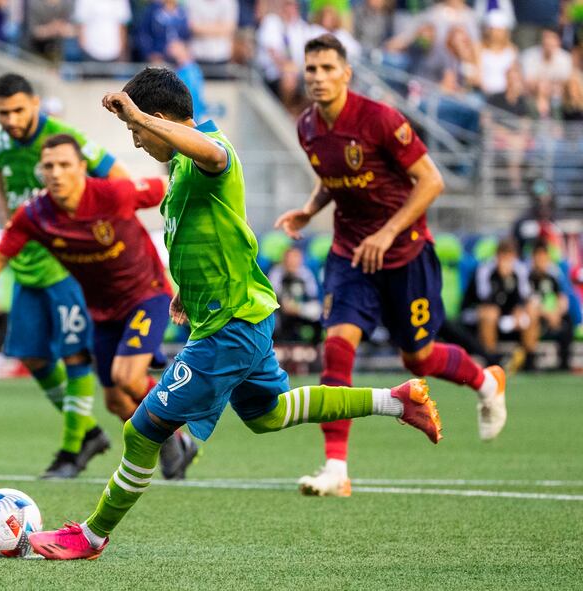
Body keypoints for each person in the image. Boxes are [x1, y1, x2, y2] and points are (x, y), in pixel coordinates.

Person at [26, 66, 442, 561]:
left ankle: (90, 537)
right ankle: (397, 401)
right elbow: (213, 228)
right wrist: (188, 289)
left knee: (141, 429)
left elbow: (217, 156)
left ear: (160, 120)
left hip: (231, 328)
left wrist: (138, 115)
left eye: (137, 130)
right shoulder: (180, 168)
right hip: (235, 314)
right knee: (268, 415)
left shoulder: (208, 150)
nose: (136, 141)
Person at [275, 35, 506, 498]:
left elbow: (431, 181)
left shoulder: (381, 118)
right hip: (350, 254)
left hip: (405, 253)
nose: (317, 77)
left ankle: (487, 380)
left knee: (417, 356)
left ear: (347, 74)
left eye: (326, 68)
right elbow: (333, 177)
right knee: (337, 348)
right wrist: (310, 208)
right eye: (311, 69)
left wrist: (387, 232)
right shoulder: (306, 127)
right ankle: (336, 468)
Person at [0, 133, 198, 479]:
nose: (56, 173)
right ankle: (177, 440)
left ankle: (175, 432)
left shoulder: (113, 194)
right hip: (102, 313)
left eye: (64, 165)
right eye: (49, 167)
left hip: (146, 295)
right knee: (116, 402)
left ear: (82, 169)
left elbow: (173, 185)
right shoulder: (35, 215)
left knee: (127, 378)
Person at [0, 73, 129, 478]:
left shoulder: (65, 139)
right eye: (3, 113)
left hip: (68, 263)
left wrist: (94, 228)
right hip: (27, 264)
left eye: (18, 110)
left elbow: (117, 177)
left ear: (35, 104)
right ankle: (86, 432)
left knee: (76, 356)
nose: (11, 120)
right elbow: (2, 179)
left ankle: (71, 451)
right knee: (31, 355)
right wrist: (8, 221)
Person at [474, 237, 539, 371]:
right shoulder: (486, 270)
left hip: (512, 315)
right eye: (503, 255)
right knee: (490, 313)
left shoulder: (519, 270)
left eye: (510, 255)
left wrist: (519, 310)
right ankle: (491, 361)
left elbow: (525, 296)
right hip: (492, 314)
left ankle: (530, 361)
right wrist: (502, 280)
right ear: (497, 256)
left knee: (533, 310)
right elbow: (484, 298)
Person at [528, 240, 573, 370]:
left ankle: (564, 363)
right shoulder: (528, 275)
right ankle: (530, 363)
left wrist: (557, 313)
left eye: (543, 256)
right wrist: (548, 314)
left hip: (553, 313)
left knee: (567, 320)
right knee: (531, 317)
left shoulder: (554, 274)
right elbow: (530, 301)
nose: (541, 260)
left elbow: (563, 298)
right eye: (538, 256)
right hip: (538, 313)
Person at [267, 246, 321, 343]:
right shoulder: (276, 273)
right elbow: (273, 295)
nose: (293, 262)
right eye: (291, 259)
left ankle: (315, 346)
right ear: (285, 259)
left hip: (300, 309)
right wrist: (286, 305)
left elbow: (312, 296)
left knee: (318, 313)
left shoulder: (305, 274)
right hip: (280, 310)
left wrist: (300, 308)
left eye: (296, 259)